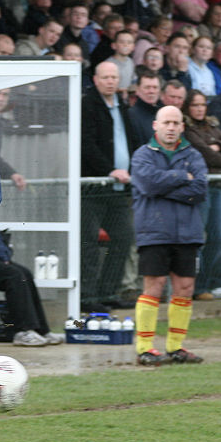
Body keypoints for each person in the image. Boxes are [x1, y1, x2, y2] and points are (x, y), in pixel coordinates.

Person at [131, 105, 207, 365]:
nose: (172, 127)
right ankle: (145, 348)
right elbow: (147, 184)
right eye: (167, 122)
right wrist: (179, 177)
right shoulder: (142, 155)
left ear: (182, 127)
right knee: (154, 287)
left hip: (188, 232)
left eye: (176, 123)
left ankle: (176, 347)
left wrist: (164, 185)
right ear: (156, 125)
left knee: (185, 288)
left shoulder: (194, 155)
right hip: (154, 231)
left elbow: (199, 190)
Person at [81, 61, 138, 312]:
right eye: (106, 77)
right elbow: (86, 144)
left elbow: (130, 141)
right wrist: (108, 170)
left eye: (114, 77)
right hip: (94, 187)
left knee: (124, 237)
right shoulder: (87, 104)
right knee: (89, 243)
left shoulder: (123, 106)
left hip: (119, 188)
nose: (111, 81)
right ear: (95, 79)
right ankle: (87, 298)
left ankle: (108, 293)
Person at [0, 219, 64, 346]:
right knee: (14, 275)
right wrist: (1, 253)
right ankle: (22, 331)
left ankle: (41, 330)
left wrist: (3, 253)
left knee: (25, 273)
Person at [182, 89, 221, 301]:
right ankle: (193, 286)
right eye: (195, 105)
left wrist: (218, 146)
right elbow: (212, 157)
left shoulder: (212, 125)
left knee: (219, 237)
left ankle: (207, 284)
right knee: (197, 238)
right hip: (201, 188)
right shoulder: (188, 130)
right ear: (188, 107)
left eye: (202, 104)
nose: (200, 109)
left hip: (217, 187)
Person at [128, 70, 163, 145]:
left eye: (155, 87)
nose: (151, 91)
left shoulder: (164, 113)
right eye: (147, 87)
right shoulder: (131, 115)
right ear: (137, 90)